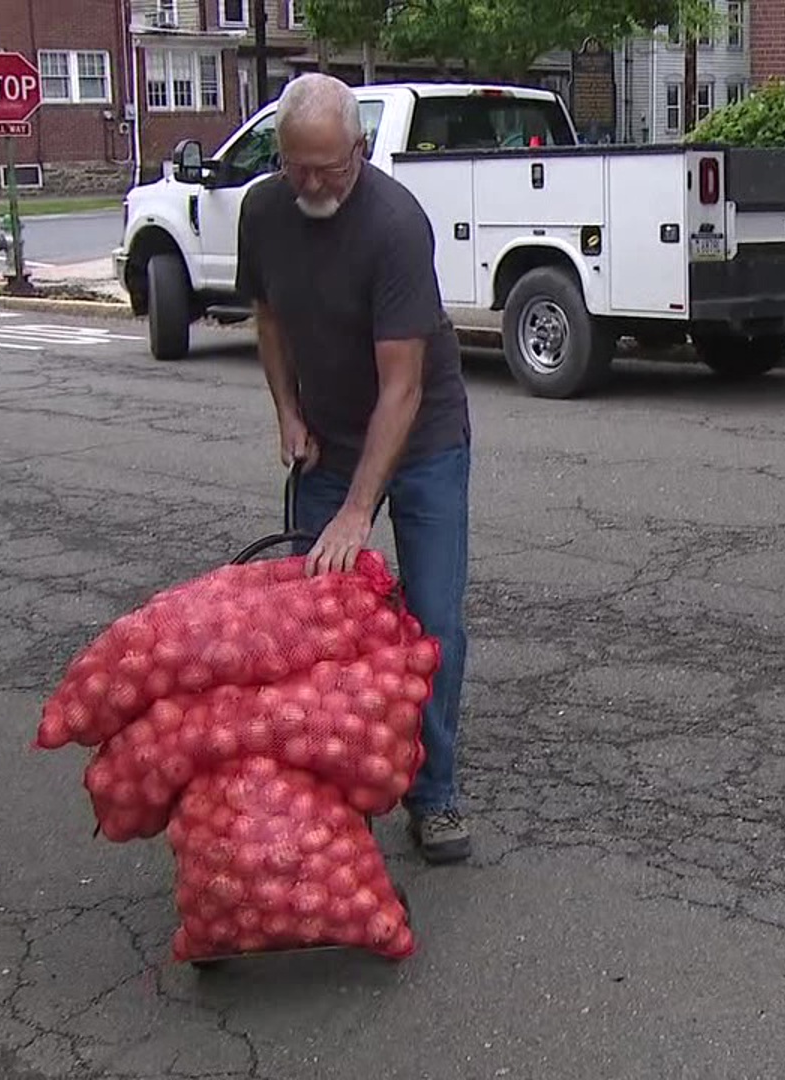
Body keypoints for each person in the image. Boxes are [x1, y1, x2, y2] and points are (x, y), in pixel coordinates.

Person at [237, 73, 474, 865]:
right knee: (315, 630)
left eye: (329, 168)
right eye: (296, 166)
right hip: (330, 439)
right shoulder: (264, 212)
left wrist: (357, 510)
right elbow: (268, 317)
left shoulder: (395, 225)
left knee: (432, 620)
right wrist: (287, 411)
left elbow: (402, 386)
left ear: (362, 152)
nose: (311, 184)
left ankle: (433, 796)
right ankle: (330, 793)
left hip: (425, 439)